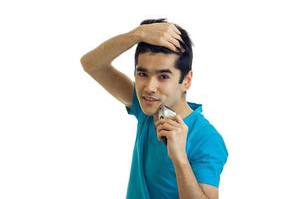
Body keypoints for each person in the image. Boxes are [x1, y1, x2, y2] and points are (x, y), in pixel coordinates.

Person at [80, 18, 228, 199]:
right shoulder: (148, 109)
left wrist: (179, 158)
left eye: (163, 76)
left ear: (186, 80)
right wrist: (137, 34)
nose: (149, 87)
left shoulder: (207, 138)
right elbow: (91, 64)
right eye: (142, 73)